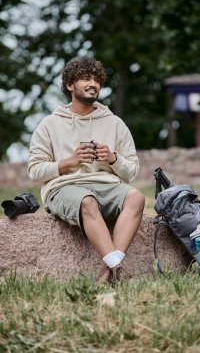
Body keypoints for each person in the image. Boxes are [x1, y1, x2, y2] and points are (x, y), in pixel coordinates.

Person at [27, 57, 145, 284]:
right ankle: (117, 269)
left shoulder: (114, 123)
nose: (93, 84)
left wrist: (113, 159)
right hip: (64, 188)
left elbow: (131, 172)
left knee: (136, 196)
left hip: (108, 186)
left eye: (97, 80)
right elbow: (34, 171)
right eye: (85, 79)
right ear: (70, 85)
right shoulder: (50, 124)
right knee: (87, 201)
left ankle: (113, 269)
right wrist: (68, 163)